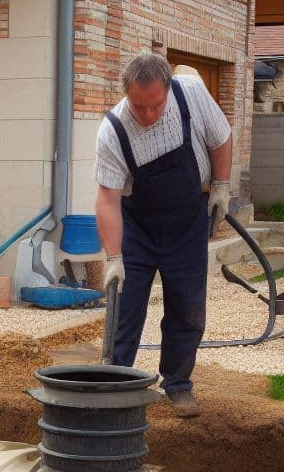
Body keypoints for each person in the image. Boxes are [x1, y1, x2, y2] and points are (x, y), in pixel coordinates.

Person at [93, 54, 232, 418]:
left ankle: (178, 384)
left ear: (168, 90)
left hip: (187, 223)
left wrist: (221, 186)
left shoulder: (191, 94)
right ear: (126, 95)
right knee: (126, 306)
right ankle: (116, 383)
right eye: (140, 107)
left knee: (187, 308)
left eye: (156, 105)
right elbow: (107, 199)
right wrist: (113, 258)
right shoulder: (113, 130)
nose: (149, 115)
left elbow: (221, 138)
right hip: (137, 227)